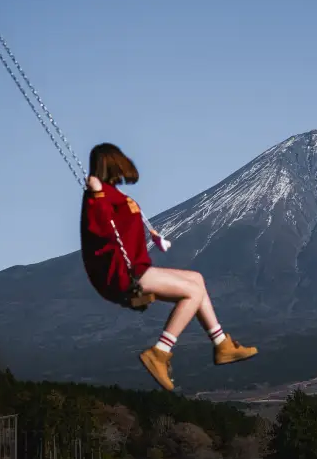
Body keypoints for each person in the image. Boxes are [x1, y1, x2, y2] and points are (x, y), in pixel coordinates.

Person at [80, 142, 257, 391]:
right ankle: (160, 352)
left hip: (136, 269)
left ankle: (221, 345)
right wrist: (95, 195)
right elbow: (97, 227)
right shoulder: (98, 197)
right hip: (124, 275)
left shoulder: (114, 195)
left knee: (196, 280)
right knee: (192, 293)